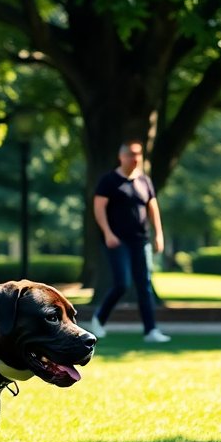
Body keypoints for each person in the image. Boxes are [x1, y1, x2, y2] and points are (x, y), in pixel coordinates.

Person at [84, 140, 170, 343]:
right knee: (122, 283)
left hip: (140, 240)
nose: (135, 158)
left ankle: (151, 330)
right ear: (121, 156)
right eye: (131, 154)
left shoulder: (144, 181)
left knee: (144, 285)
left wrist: (159, 234)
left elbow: (153, 208)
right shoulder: (109, 181)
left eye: (138, 154)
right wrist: (107, 233)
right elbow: (98, 208)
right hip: (117, 241)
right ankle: (98, 319)